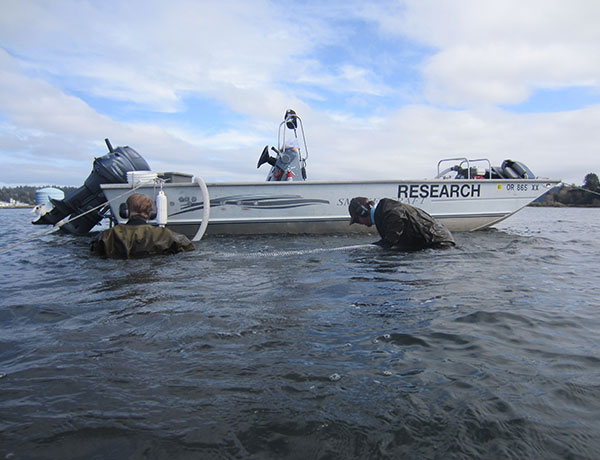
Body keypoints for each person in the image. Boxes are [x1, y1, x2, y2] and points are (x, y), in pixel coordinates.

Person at [91, 193, 195, 258]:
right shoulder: (166, 235)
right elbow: (188, 250)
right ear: (152, 213)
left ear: (125, 211)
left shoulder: (106, 236)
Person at [349, 197, 456, 250]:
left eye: (357, 220)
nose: (359, 223)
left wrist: (386, 242)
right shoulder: (381, 215)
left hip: (439, 241)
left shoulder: (388, 207)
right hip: (429, 243)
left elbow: (396, 216)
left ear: (362, 212)